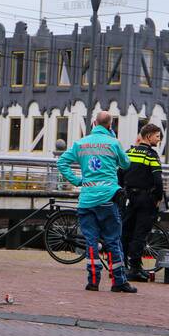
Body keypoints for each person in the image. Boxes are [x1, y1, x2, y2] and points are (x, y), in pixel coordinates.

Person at [57, 111, 136, 293]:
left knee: (91, 241)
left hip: (86, 200)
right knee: (113, 241)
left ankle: (93, 281)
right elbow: (126, 164)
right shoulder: (113, 143)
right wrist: (113, 138)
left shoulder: (80, 144)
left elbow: (62, 162)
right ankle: (119, 282)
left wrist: (77, 181)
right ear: (110, 125)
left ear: (93, 123)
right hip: (108, 198)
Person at [119, 123, 165, 282]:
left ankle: (121, 266)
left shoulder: (129, 152)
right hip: (146, 199)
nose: (159, 140)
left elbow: (119, 173)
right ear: (148, 136)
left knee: (125, 232)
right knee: (140, 234)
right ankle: (135, 269)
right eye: (157, 136)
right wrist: (158, 197)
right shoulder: (151, 155)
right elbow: (158, 180)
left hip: (128, 198)